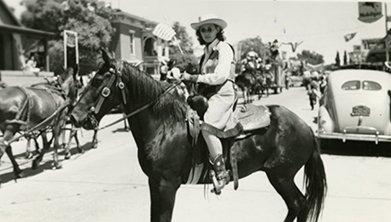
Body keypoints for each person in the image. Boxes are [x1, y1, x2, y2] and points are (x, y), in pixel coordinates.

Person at [181, 14, 235, 193]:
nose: (206, 33)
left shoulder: (224, 48)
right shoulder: (205, 53)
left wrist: (195, 77)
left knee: (207, 127)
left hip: (223, 92)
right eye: (203, 30)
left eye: (210, 29)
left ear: (218, 30)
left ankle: (221, 173)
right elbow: (200, 77)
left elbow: (220, 76)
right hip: (208, 94)